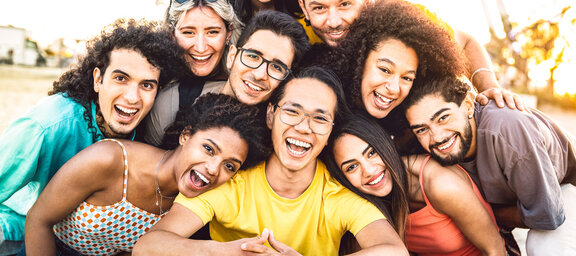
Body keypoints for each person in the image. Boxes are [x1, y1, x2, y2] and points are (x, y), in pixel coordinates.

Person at [133, 67, 409, 256]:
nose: (304, 127)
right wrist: (220, 251)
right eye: (292, 111)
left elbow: (395, 251)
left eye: (320, 118)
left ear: (330, 133)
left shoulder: (336, 196)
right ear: (270, 116)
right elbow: (147, 247)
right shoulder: (230, 180)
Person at [0, 19, 185, 255]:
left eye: (146, 85)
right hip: (15, 228)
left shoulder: (145, 132)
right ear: (98, 79)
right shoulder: (47, 125)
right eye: (121, 78)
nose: (132, 97)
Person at [23, 94, 270, 256]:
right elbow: (38, 220)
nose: (214, 168)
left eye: (230, 166)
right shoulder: (110, 159)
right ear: (185, 135)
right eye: (208, 149)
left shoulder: (195, 204)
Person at [297, 0, 524, 110]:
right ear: (303, 7)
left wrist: (489, 87)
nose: (334, 20)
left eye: (345, 4)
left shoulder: (399, 19)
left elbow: (465, 42)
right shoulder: (295, 36)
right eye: (319, 8)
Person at [404, 76, 576, 255]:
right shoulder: (442, 147)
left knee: (544, 249)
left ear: (468, 105)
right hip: (527, 195)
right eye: (422, 129)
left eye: (443, 117)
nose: (437, 137)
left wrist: (484, 213)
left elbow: (548, 214)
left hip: (573, 183)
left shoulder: (506, 128)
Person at [325, 113, 506, 255]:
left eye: (372, 153)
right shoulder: (367, 204)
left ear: (386, 144)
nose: (369, 171)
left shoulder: (440, 183)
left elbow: (495, 249)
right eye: (352, 167)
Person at [144, 9, 310, 146]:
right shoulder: (173, 102)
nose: (260, 74)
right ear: (232, 56)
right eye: (253, 56)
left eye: (277, 67)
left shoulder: (282, 133)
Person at [307, 0, 465, 125]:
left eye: (407, 78)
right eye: (385, 70)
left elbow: (466, 41)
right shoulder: (324, 98)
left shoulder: (417, 120)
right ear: (359, 61)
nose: (394, 89)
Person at [142, 0, 243, 145]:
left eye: (212, 32)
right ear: (172, 34)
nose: (201, 47)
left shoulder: (249, 87)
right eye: (188, 32)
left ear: (228, 33)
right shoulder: (159, 93)